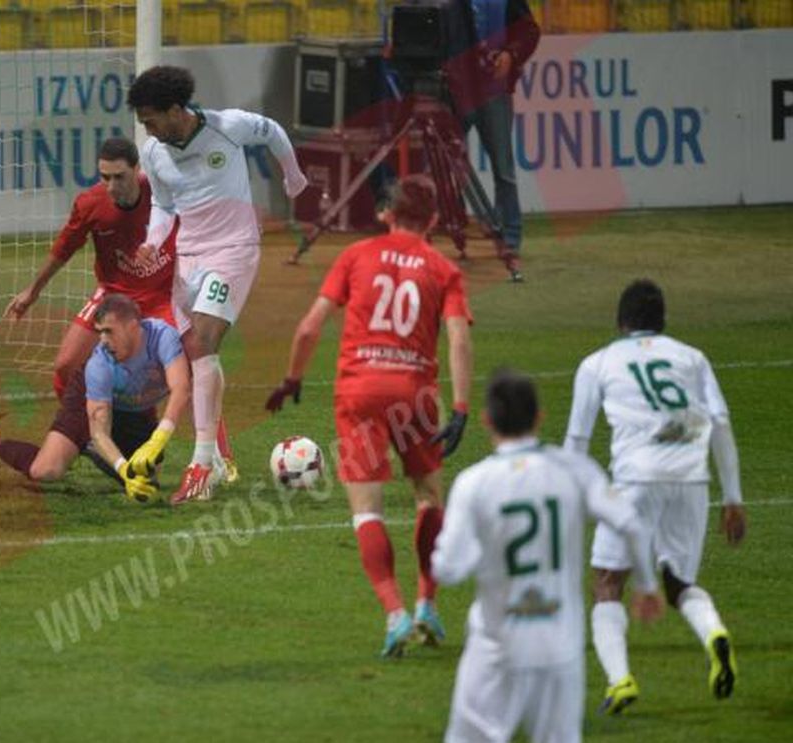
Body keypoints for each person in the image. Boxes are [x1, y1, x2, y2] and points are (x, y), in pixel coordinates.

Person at [266, 175, 473, 657]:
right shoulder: (443, 269)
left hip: (360, 392)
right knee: (427, 496)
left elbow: (310, 326)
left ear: (387, 214)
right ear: (435, 221)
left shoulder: (355, 256)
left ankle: (395, 613)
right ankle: (427, 604)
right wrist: (460, 407)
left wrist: (292, 379)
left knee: (368, 510)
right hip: (416, 394)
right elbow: (460, 338)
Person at [433, 369, 664, 743]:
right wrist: (647, 585)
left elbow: (447, 569)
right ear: (539, 417)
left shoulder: (473, 483)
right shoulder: (574, 470)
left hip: (495, 649)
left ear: (487, 420)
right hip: (559, 648)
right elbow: (632, 525)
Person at [127, 64, 309, 503]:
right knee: (196, 355)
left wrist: (292, 174)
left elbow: (274, 132)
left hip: (233, 249)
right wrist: (153, 241)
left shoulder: (228, 126)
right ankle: (213, 457)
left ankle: (201, 465)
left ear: (175, 110)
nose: (147, 129)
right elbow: (164, 206)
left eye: (151, 120)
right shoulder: (154, 152)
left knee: (204, 341)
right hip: (188, 257)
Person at [564, 279, 746, 713]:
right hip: (691, 480)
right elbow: (719, 423)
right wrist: (733, 497)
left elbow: (576, 439)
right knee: (679, 582)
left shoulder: (599, 363)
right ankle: (714, 633)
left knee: (607, 583)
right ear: (663, 321)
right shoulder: (692, 357)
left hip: (635, 481)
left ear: (619, 320)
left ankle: (620, 679)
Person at [0, 293, 190, 503]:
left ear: (133, 326)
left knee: (149, 479)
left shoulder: (162, 338)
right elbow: (99, 430)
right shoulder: (99, 364)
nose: (104, 340)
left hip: (136, 409)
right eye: (100, 332)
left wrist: (158, 440)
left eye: (110, 332)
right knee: (45, 470)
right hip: (88, 401)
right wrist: (123, 468)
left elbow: (181, 388)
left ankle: (91, 450)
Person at [3, 136, 177, 398]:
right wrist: (33, 291)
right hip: (112, 296)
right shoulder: (91, 203)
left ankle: (210, 438)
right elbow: (63, 248)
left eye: (119, 177)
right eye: (105, 177)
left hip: (162, 298)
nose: (111, 186)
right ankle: (75, 432)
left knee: (187, 369)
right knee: (65, 366)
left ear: (137, 169)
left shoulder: (163, 193)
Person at [442, 0, 541, 275]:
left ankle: (510, 238)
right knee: (448, 166)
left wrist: (511, 54)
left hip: (493, 90)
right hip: (453, 89)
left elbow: (529, 30)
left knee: (503, 169)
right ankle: (454, 234)